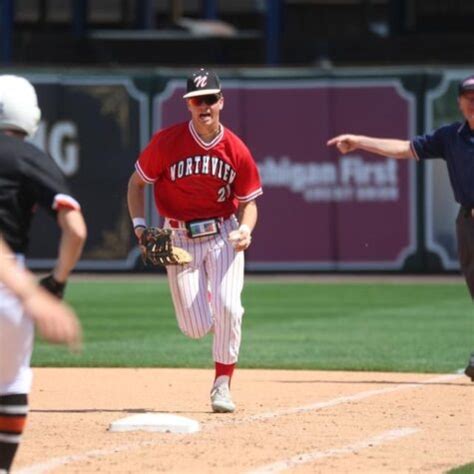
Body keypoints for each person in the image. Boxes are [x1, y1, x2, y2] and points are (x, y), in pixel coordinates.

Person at [127, 68, 263, 413]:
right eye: (196, 101)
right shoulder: (167, 142)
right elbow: (136, 183)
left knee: (230, 307)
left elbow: (249, 204)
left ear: (221, 101)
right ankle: (208, 298)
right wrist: (141, 227)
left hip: (222, 236)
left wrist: (245, 229)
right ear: (188, 105)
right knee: (194, 327)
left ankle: (222, 385)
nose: (204, 106)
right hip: (178, 240)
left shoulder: (236, 149)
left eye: (210, 99)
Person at [327, 73, 474, 382]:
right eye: (468, 97)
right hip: (468, 221)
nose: (473, 102)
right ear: (459, 102)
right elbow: (405, 148)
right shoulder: (451, 136)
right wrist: (360, 142)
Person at [0, 75, 87, 472]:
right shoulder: (32, 157)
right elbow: (76, 229)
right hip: (10, 288)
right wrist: (55, 283)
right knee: (13, 382)